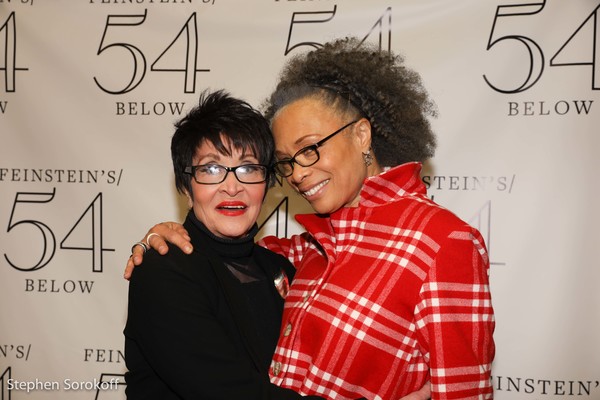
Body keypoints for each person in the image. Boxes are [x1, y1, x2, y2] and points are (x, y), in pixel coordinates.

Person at [127, 37, 494, 399]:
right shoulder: (310, 249)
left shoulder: (443, 242)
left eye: (310, 149)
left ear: (362, 135)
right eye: (287, 160)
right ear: (187, 184)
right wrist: (166, 237)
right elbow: (227, 256)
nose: (298, 173)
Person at [124, 89, 324, 399]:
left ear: (267, 184)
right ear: (186, 187)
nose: (232, 187)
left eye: (249, 168)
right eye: (211, 169)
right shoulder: (163, 271)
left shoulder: (280, 268)